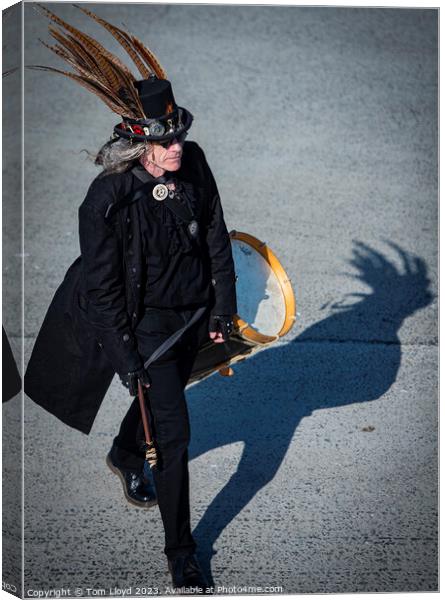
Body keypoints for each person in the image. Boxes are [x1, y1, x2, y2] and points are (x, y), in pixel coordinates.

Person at [24, 5, 237, 592]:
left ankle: (123, 451)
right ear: (139, 144)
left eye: (181, 137)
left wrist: (222, 309)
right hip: (143, 326)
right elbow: (104, 287)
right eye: (168, 142)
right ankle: (182, 552)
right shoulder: (105, 201)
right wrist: (126, 360)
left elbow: (217, 231)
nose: (179, 148)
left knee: (163, 402)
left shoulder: (193, 164)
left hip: (194, 314)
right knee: (174, 434)